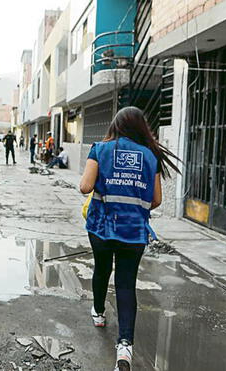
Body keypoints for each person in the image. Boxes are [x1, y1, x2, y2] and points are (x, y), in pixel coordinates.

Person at [79, 107, 179, 371]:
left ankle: (99, 313)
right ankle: (124, 348)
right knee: (126, 285)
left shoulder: (100, 149)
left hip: (101, 227)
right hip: (133, 233)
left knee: (102, 270)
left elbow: (85, 187)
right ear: (140, 127)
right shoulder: (150, 156)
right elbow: (156, 200)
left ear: (116, 125)